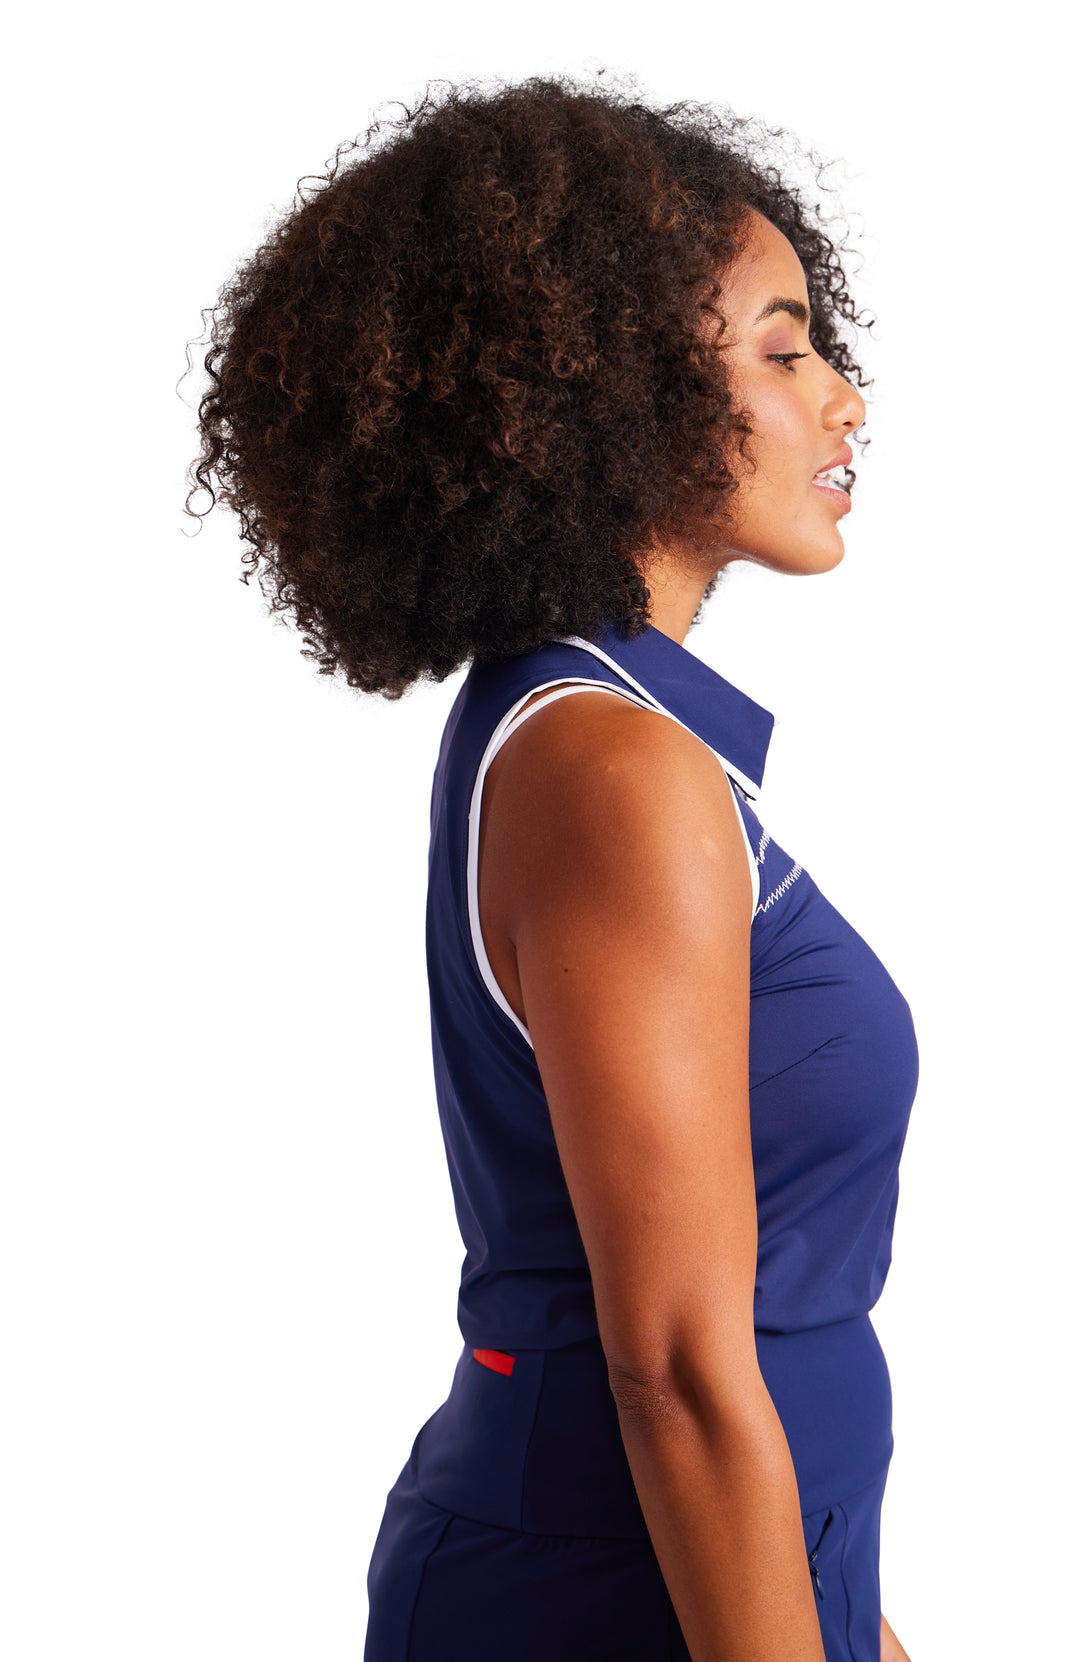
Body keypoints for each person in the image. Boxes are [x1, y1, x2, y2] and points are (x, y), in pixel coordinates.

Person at [187, 73, 917, 1662]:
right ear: (615, 392)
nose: (845, 398)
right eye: (786, 351)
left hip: (732, 1572)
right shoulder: (610, 767)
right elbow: (672, 1362)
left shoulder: (620, 736)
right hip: (605, 1595)